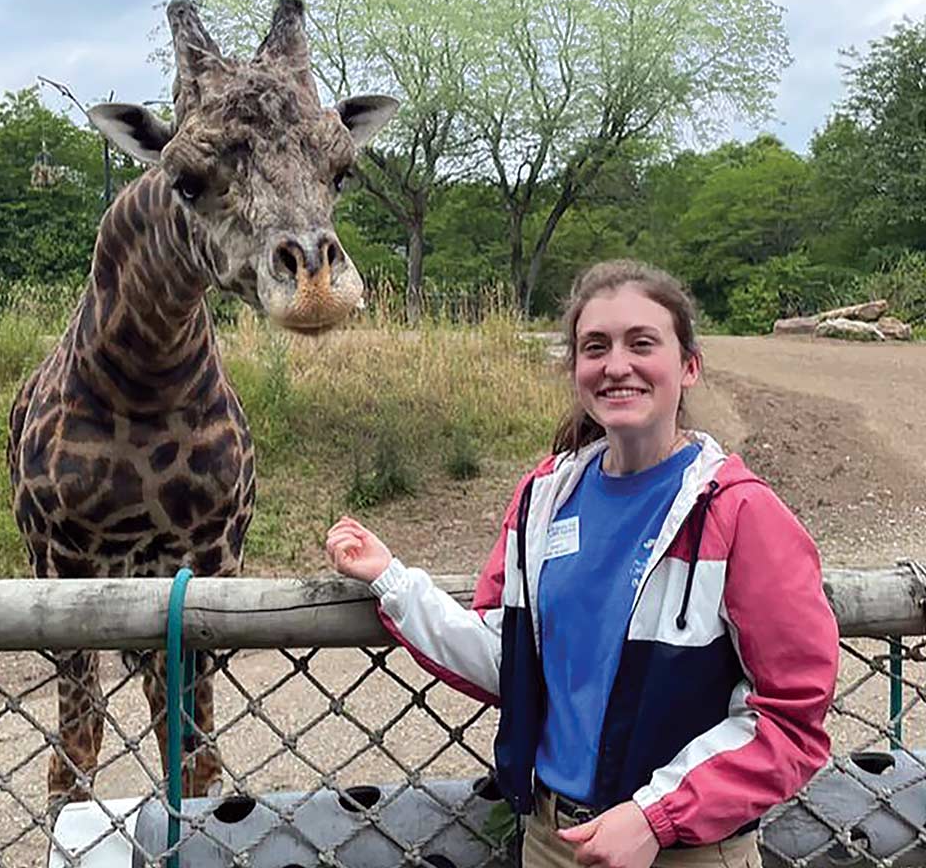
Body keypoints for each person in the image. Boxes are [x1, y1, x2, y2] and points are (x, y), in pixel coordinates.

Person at [326, 259, 839, 868]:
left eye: (642, 343)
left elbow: (790, 719)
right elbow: (507, 659)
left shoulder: (741, 514)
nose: (617, 365)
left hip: (685, 850)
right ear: (576, 370)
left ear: (689, 367)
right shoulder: (543, 499)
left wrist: (656, 816)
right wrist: (393, 580)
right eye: (595, 347)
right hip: (551, 841)